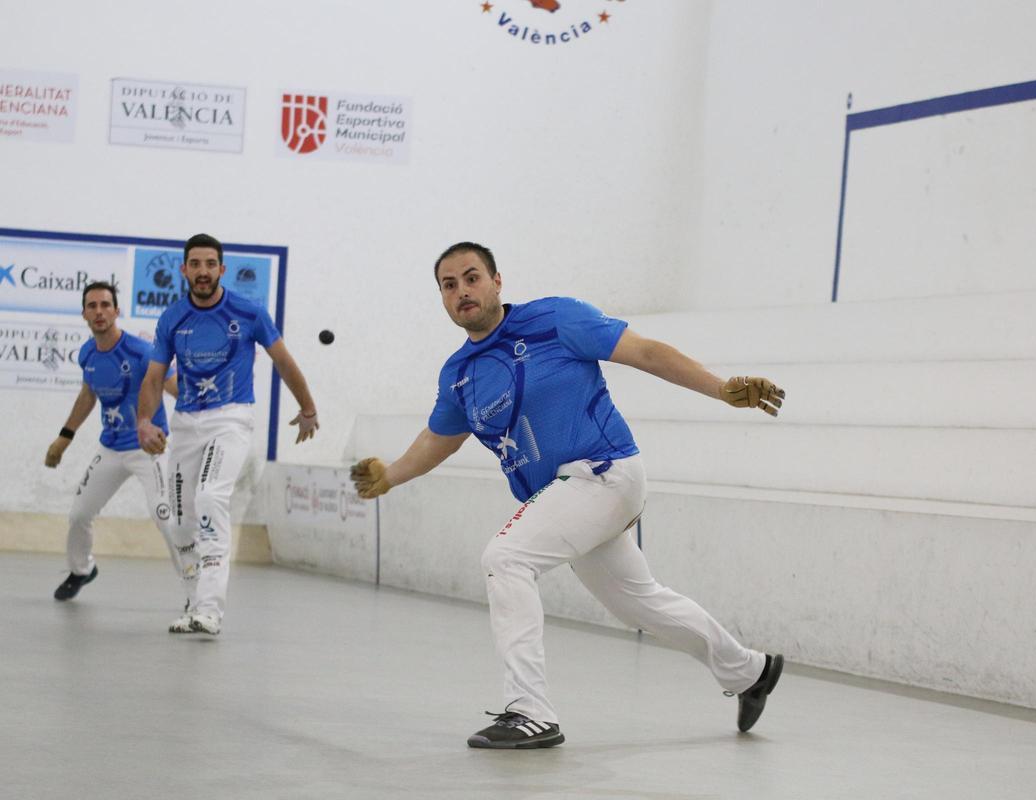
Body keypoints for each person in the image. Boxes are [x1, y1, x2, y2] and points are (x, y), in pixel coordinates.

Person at [352, 242, 786, 749]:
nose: (462, 292)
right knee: (639, 603)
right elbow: (438, 439)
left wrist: (719, 388)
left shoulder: (555, 318)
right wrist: (392, 474)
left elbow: (644, 351)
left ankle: (530, 711)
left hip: (603, 471)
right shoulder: (459, 374)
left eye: (472, 278)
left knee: (506, 557)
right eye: (449, 286)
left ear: (497, 281)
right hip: (570, 493)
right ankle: (750, 670)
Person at [137, 233, 319, 636]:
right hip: (186, 423)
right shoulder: (172, 318)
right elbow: (152, 378)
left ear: (222, 269)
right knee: (180, 522)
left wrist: (307, 408)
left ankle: (211, 610)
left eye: (210, 264)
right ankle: (194, 599)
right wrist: (145, 421)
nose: (203, 272)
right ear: (184, 270)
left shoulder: (248, 311)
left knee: (209, 498)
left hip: (231, 419)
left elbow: (284, 362)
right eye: (195, 265)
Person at [46, 281, 198, 610]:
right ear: (84, 313)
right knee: (79, 515)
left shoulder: (141, 351)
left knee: (165, 517)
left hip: (150, 449)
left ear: (117, 311)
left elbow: (172, 387)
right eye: (92, 306)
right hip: (111, 448)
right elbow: (89, 394)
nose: (99, 311)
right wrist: (65, 436)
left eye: (105, 305)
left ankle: (196, 593)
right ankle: (81, 569)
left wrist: (200, 424)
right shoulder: (86, 353)